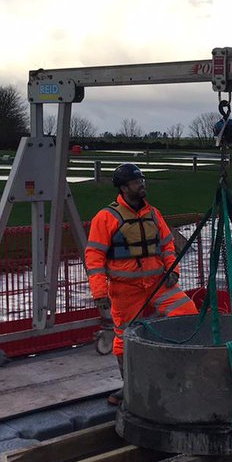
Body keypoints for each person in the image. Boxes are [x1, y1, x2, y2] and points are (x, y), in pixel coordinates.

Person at [85, 163, 197, 403]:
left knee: (186, 312)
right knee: (123, 335)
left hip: (159, 284)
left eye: (142, 180)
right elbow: (94, 258)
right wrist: (99, 293)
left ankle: (175, 373)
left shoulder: (153, 214)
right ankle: (130, 387)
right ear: (124, 188)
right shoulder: (105, 218)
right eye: (137, 182)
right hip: (125, 289)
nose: (142, 185)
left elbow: (168, 245)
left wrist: (173, 271)